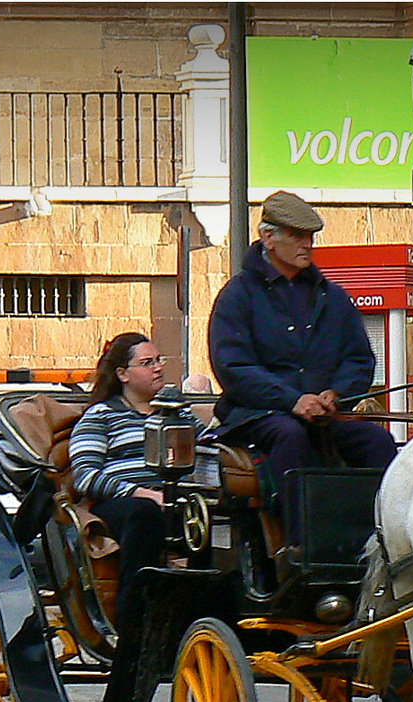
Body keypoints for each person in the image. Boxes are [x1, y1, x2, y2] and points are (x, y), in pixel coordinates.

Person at [208, 190, 396, 544]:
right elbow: (232, 367)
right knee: (289, 435)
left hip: (325, 415)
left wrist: (337, 394)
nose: (307, 245)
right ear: (268, 237)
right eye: (296, 236)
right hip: (257, 416)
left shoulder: (333, 296)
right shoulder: (238, 295)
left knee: (377, 440)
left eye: (310, 237)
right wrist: (293, 400)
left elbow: (359, 359)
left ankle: (382, 541)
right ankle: (301, 545)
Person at [69, 332, 192, 627]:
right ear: (123, 374)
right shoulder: (101, 416)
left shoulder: (179, 413)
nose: (158, 368)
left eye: (158, 360)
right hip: (123, 506)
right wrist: (139, 492)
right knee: (144, 514)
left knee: (225, 519)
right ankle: (135, 621)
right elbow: (85, 476)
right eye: (147, 362)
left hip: (178, 500)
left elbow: (209, 447)